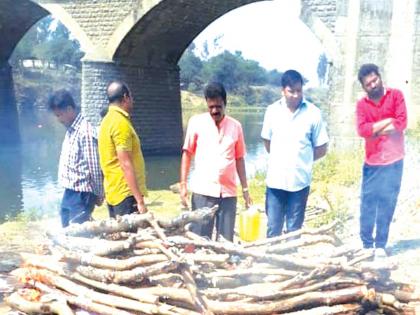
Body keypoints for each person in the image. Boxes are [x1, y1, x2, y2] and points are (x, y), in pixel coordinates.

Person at [180, 82, 252, 241]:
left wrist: (245, 190)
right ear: (206, 103)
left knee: (226, 238)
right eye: (211, 106)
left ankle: (225, 262)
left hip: (228, 192)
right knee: (199, 236)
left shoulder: (236, 127)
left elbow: (239, 159)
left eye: (218, 106)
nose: (214, 110)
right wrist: (183, 184)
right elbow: (187, 153)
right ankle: (200, 263)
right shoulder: (196, 123)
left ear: (225, 103)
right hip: (203, 191)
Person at [261, 69, 329, 237]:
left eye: (299, 90)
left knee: (294, 229)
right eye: (291, 91)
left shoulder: (313, 113)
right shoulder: (272, 111)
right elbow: (267, 142)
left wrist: (303, 159)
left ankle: (290, 261)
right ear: (283, 90)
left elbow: (321, 147)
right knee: (273, 227)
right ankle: (271, 260)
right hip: (275, 182)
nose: (296, 95)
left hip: (300, 182)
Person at [356, 63, 407, 258]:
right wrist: (388, 121)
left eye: (374, 80)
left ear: (380, 77)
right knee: (368, 203)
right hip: (373, 162)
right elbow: (362, 130)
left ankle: (381, 244)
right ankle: (367, 244)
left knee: (387, 202)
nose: (373, 85)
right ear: (364, 87)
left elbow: (401, 122)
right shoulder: (362, 105)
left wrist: (375, 129)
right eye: (368, 84)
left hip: (394, 161)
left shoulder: (396, 95)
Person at [48, 90, 104, 227]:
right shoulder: (71, 129)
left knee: (78, 231)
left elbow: (94, 167)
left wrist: (99, 194)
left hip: (82, 193)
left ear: (69, 109)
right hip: (70, 190)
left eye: (59, 115)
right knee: (66, 227)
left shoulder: (85, 131)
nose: (58, 119)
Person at [98, 81, 148, 217]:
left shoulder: (106, 121)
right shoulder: (120, 123)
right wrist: (139, 200)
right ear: (126, 97)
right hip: (126, 194)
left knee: (119, 236)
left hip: (113, 191)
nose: (133, 100)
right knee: (129, 235)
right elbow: (125, 163)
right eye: (131, 97)